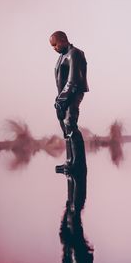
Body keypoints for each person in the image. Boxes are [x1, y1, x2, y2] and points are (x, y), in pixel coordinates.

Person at [49, 31, 89, 173]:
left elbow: (73, 81)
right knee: (65, 128)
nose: (54, 48)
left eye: (55, 44)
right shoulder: (62, 56)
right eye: (51, 46)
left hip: (73, 93)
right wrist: (59, 99)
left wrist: (62, 100)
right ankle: (69, 161)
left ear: (63, 40)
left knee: (70, 124)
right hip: (63, 97)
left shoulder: (75, 53)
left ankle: (78, 163)